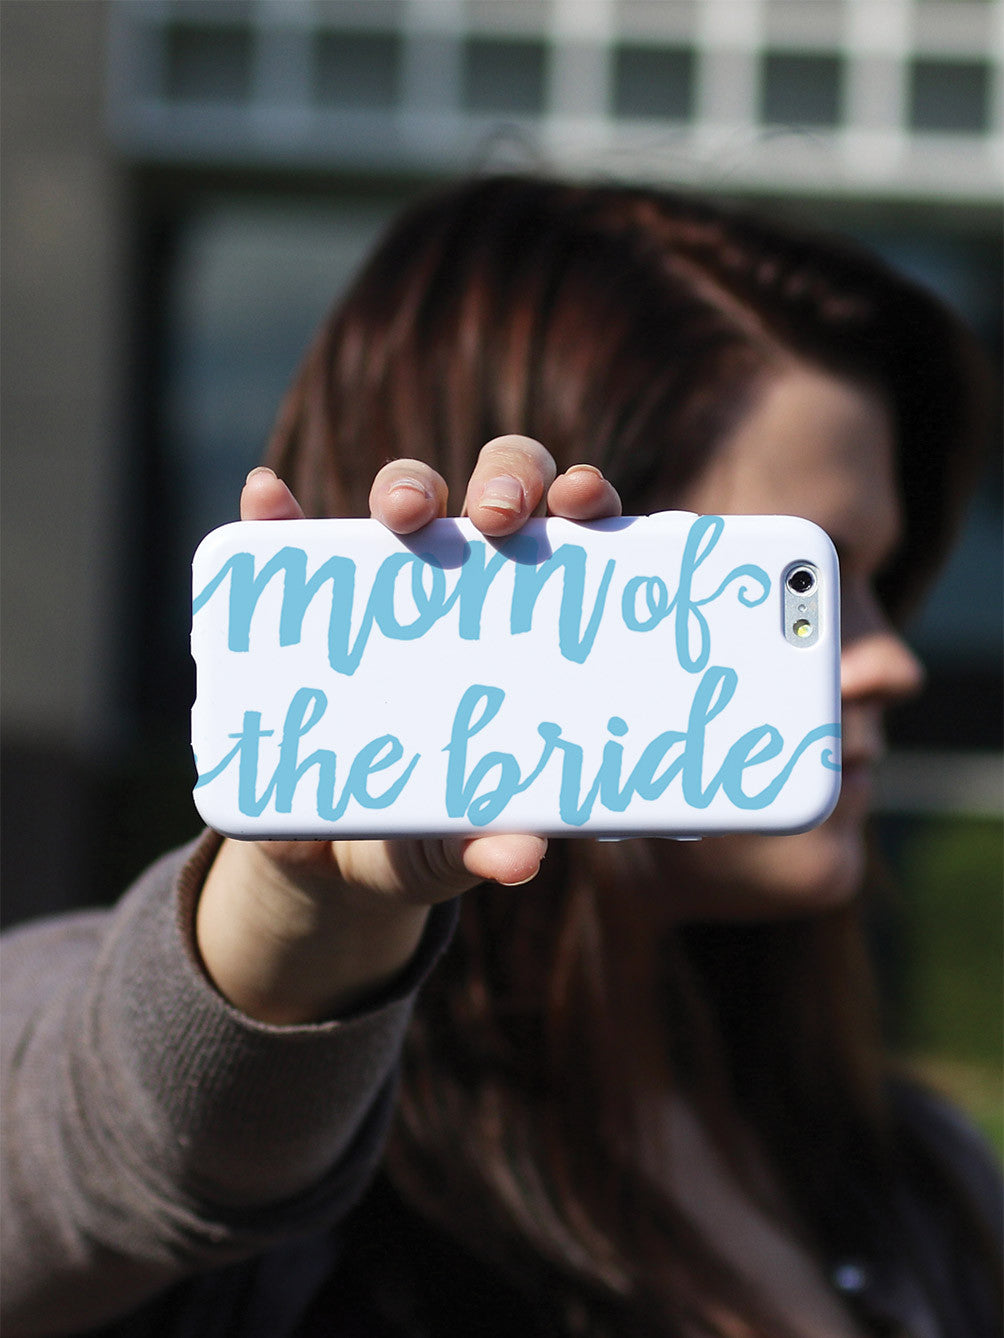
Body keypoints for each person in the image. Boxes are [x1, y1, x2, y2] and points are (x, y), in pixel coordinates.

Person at [2, 175, 999, 1338]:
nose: (890, 662)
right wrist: (300, 906)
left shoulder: (915, 1178)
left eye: (866, 583)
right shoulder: (291, 1227)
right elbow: (102, 1148)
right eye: (805, 576)